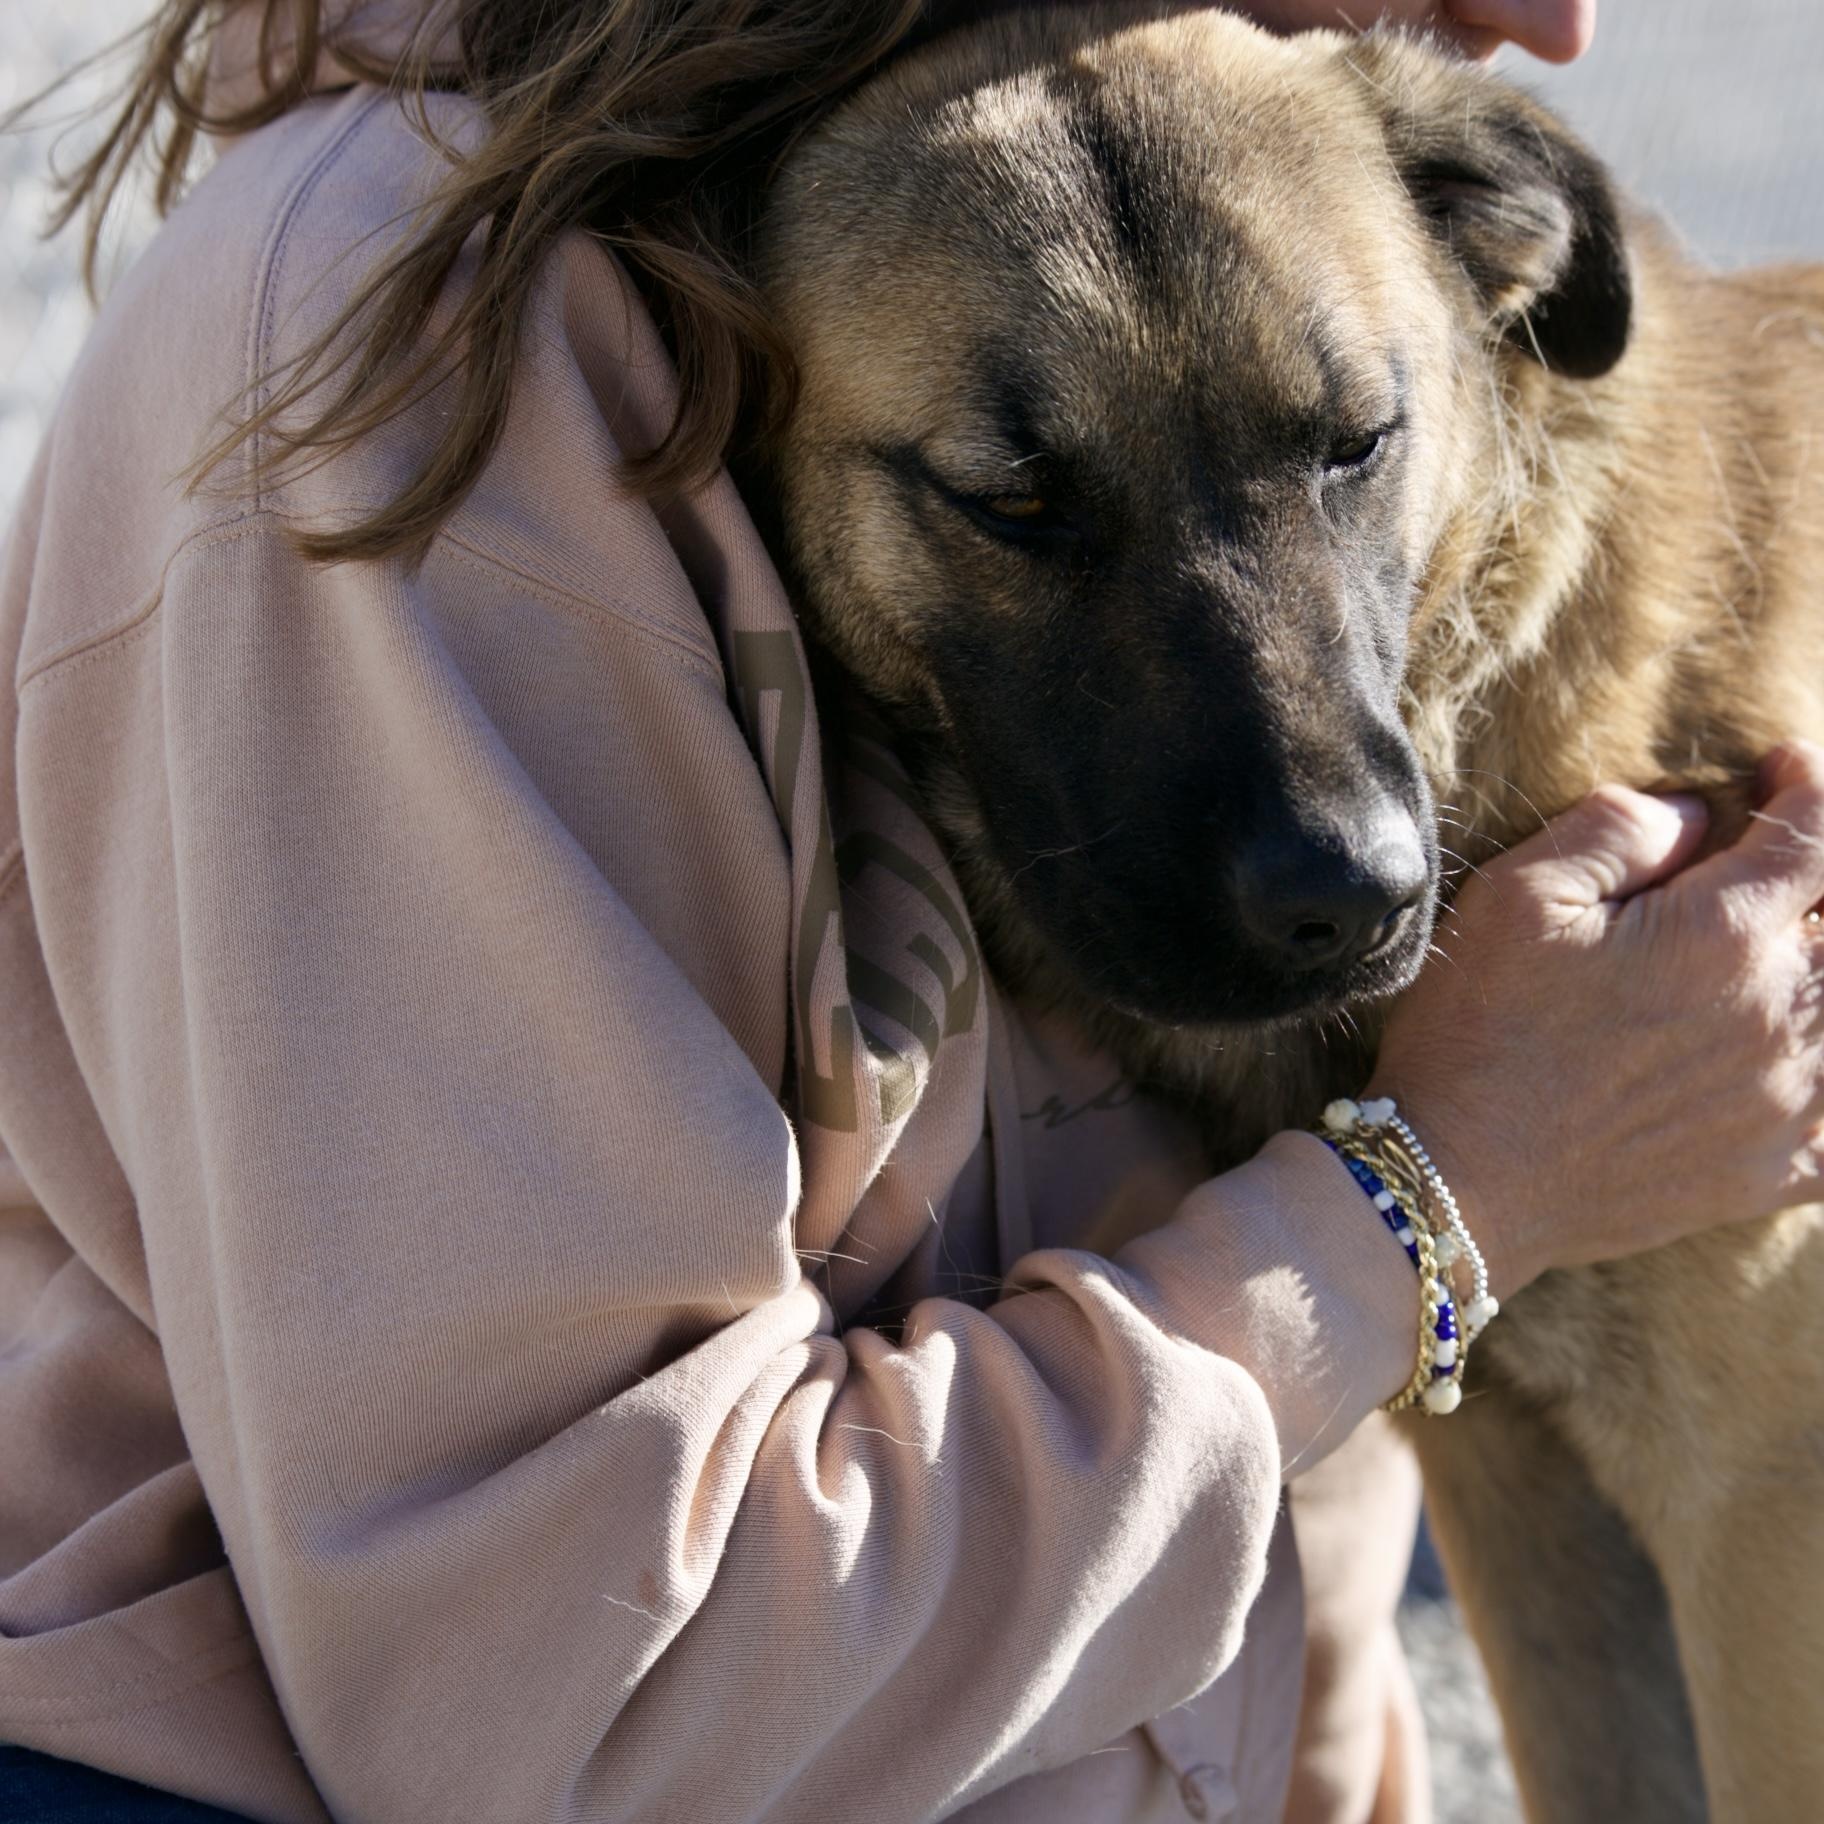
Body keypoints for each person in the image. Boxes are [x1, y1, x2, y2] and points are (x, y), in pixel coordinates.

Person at [3, 2, 1821, 1821]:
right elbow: (588, 1709)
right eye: (1024, 504)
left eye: (1345, 441)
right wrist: (1431, 1207)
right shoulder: (430, 395)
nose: (1560, 24)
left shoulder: (1140, 183)